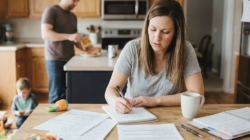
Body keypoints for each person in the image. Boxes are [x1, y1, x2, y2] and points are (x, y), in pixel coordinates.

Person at [105, 0, 204, 114]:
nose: (157, 38)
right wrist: (116, 102)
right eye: (152, 29)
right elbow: (111, 89)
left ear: (177, 33)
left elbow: (197, 95)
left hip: (169, 115)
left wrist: (155, 100)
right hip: (133, 114)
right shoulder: (132, 49)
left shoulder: (185, 50)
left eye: (165, 32)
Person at [41, 0, 94, 103]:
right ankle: (53, 119)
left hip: (70, 60)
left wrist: (84, 48)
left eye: (77, 2)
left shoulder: (72, 16)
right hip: (55, 60)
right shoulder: (51, 11)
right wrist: (69, 36)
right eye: (74, 1)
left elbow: (75, 38)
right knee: (55, 95)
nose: (75, 4)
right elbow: (46, 34)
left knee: (68, 95)